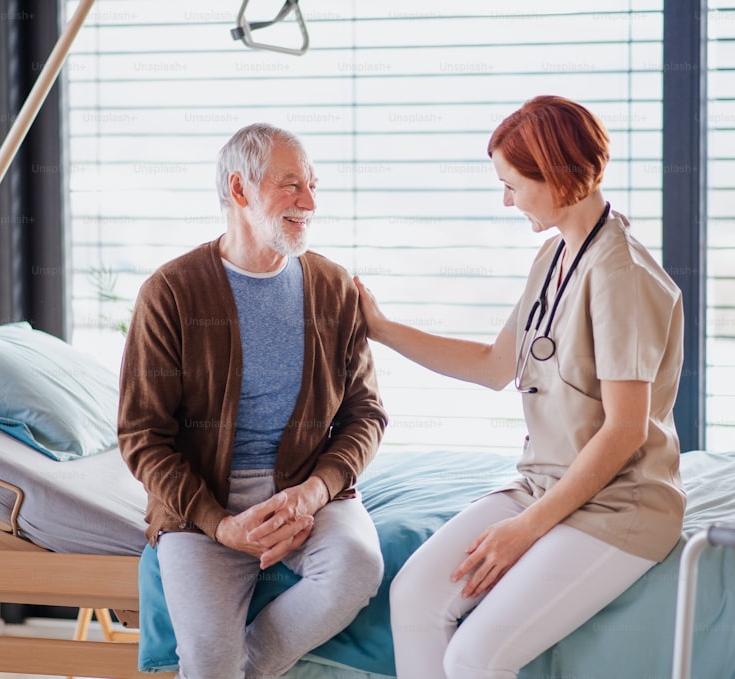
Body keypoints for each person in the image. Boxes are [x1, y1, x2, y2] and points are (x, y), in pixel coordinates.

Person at [354, 95, 686, 678]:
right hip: (544, 484)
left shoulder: (621, 275)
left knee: (475, 657)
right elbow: (491, 364)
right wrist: (381, 329)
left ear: (557, 175)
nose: (506, 199)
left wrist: (524, 531)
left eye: (512, 184)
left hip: (619, 505)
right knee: (412, 599)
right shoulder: (554, 255)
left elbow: (625, 430)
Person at [118, 123, 387, 679]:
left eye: (312, 185)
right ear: (240, 191)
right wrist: (221, 526)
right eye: (291, 186)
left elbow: (366, 414)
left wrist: (314, 493)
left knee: (358, 566)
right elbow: (143, 436)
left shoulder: (332, 287)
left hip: (308, 495)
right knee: (204, 660)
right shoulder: (171, 292)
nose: (309, 202)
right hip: (204, 506)